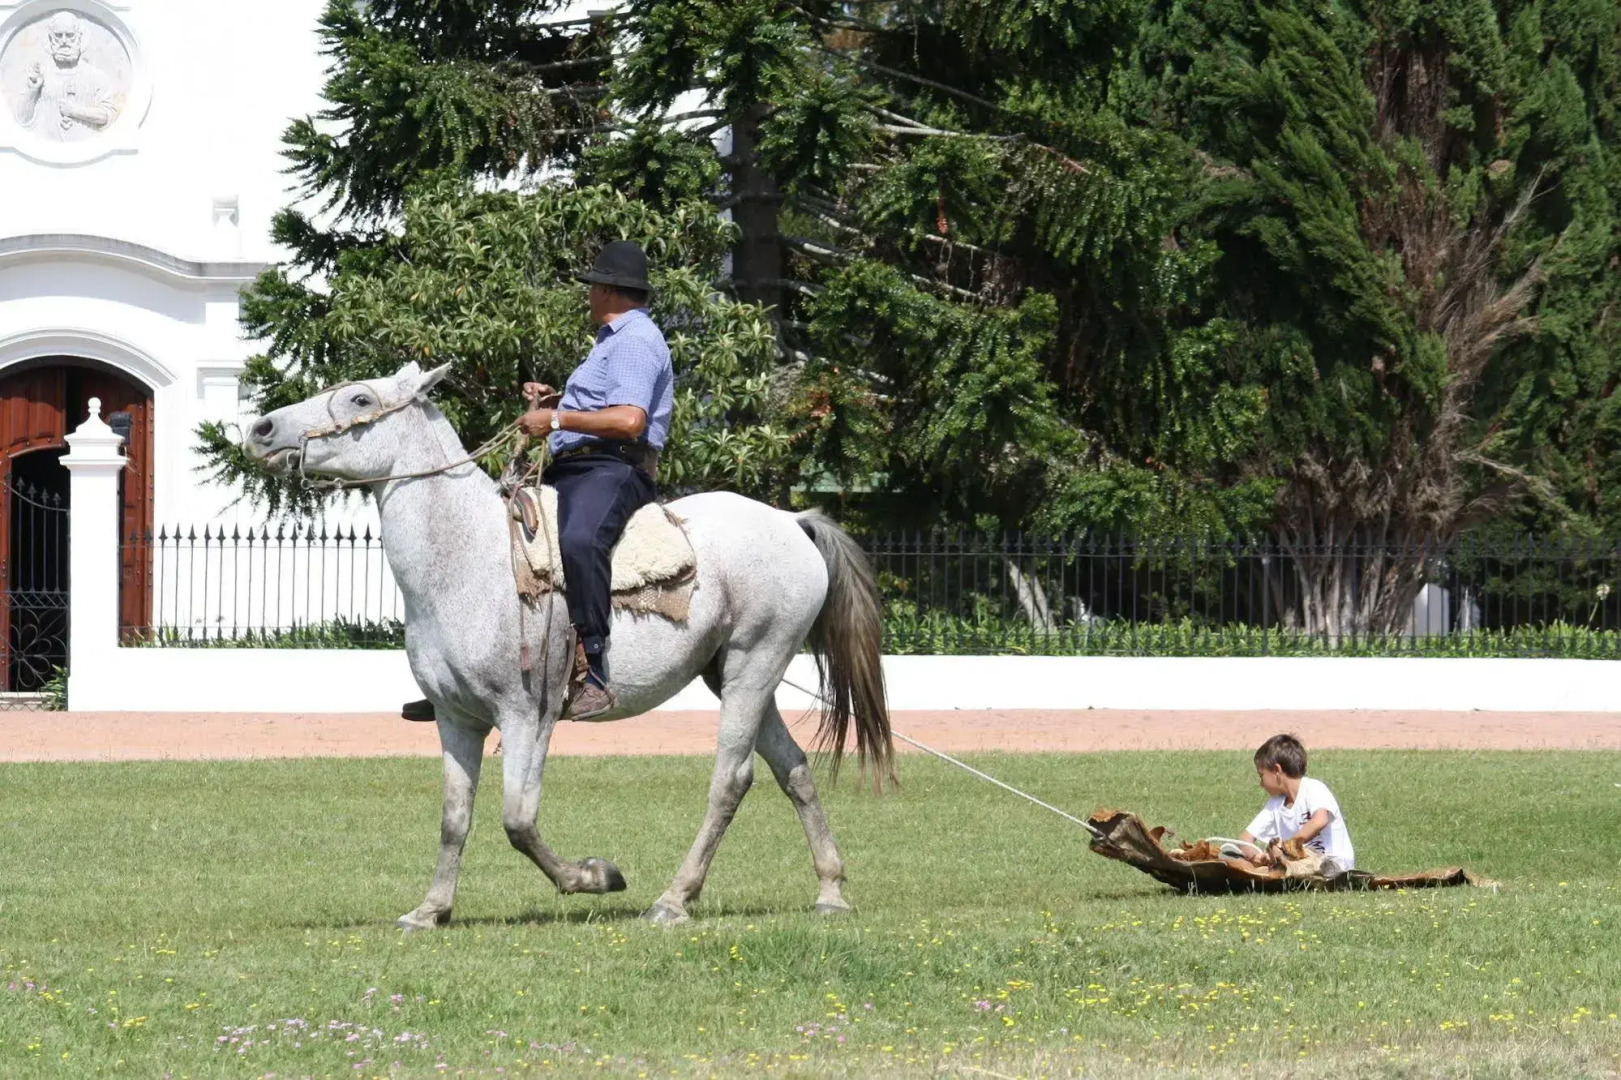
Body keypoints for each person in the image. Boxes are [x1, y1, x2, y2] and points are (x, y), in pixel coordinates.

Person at [402, 240, 673, 723]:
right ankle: (463, 678)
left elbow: (630, 420)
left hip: (613, 468)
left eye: (592, 286)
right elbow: (599, 408)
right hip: (578, 467)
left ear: (609, 290)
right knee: (493, 538)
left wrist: (557, 419)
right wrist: (555, 401)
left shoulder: (635, 339)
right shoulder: (610, 341)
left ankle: (595, 671)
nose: (588, 295)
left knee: (580, 539)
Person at [1233, 733, 1355, 873]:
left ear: (1277, 770)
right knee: (1237, 860)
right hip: (1298, 864)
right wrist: (1257, 857)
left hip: (1334, 863)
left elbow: (1320, 820)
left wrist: (1287, 847)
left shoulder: (1313, 787)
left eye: (1262, 775)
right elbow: (1245, 838)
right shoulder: (1275, 805)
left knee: (1308, 866)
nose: (1261, 784)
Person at [17, 12, 118, 141]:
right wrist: (32, 90)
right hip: (46, 144)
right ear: (51, 39)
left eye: (70, 35)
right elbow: (22, 118)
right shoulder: (40, 75)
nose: (64, 41)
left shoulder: (96, 76)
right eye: (58, 36)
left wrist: (75, 111)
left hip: (86, 146)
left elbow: (107, 116)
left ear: (79, 37)